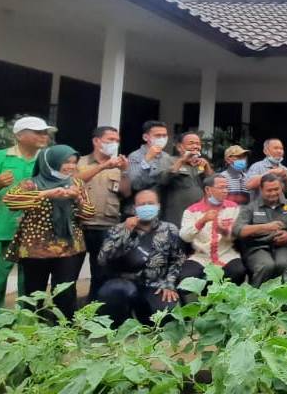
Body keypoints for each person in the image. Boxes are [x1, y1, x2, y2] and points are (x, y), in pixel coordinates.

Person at [0, 116, 51, 336]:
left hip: (34, 233)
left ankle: (23, 332)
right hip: (0, 230)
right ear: (19, 135)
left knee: (31, 286)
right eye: (38, 132)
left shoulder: (46, 160)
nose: (44, 135)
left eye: (45, 132)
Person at [3, 145, 95, 320]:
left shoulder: (76, 183)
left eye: (74, 162)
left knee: (66, 292)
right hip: (36, 249)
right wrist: (46, 193)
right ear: (51, 161)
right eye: (66, 162)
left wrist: (77, 199)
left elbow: (89, 214)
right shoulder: (31, 183)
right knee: (34, 293)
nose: (71, 166)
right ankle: (32, 332)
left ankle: (65, 333)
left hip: (69, 248)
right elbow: (11, 201)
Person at [96, 190, 186, 326]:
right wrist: (126, 232)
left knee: (166, 317)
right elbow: (103, 259)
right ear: (134, 208)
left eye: (151, 203)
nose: (146, 207)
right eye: (142, 204)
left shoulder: (169, 229)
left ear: (158, 206)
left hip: (155, 284)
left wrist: (169, 284)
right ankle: (118, 324)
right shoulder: (118, 229)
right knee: (114, 293)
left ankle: (144, 317)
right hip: (124, 282)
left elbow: (177, 259)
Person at [77, 126, 131, 301]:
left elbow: (126, 193)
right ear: (96, 141)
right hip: (79, 224)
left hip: (106, 225)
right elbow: (75, 180)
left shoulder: (118, 166)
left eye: (117, 141)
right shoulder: (80, 162)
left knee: (101, 272)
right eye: (110, 140)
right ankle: (66, 314)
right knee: (69, 272)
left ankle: (94, 310)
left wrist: (124, 171)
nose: (114, 144)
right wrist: (103, 166)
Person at [179, 174, 246, 296]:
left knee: (238, 271)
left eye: (226, 187)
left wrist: (224, 231)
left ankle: (223, 301)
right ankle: (203, 303)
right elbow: (184, 236)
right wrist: (202, 221)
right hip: (200, 256)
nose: (225, 190)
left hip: (226, 254)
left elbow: (238, 233)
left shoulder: (233, 207)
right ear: (208, 190)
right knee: (185, 280)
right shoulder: (191, 210)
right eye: (221, 187)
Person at [233, 174, 287, 287]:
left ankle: (284, 298)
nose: (273, 193)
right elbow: (238, 230)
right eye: (269, 190)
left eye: (276, 189)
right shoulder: (251, 207)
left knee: (284, 264)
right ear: (261, 189)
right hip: (257, 247)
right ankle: (256, 299)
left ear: (282, 188)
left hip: (283, 246)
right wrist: (265, 227)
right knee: (266, 265)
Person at [158, 131, 212, 228]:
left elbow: (212, 183)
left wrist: (207, 166)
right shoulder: (168, 160)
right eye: (191, 143)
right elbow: (163, 180)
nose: (196, 146)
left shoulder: (200, 164)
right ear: (179, 147)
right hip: (177, 218)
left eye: (198, 144)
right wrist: (182, 161)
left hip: (199, 217)